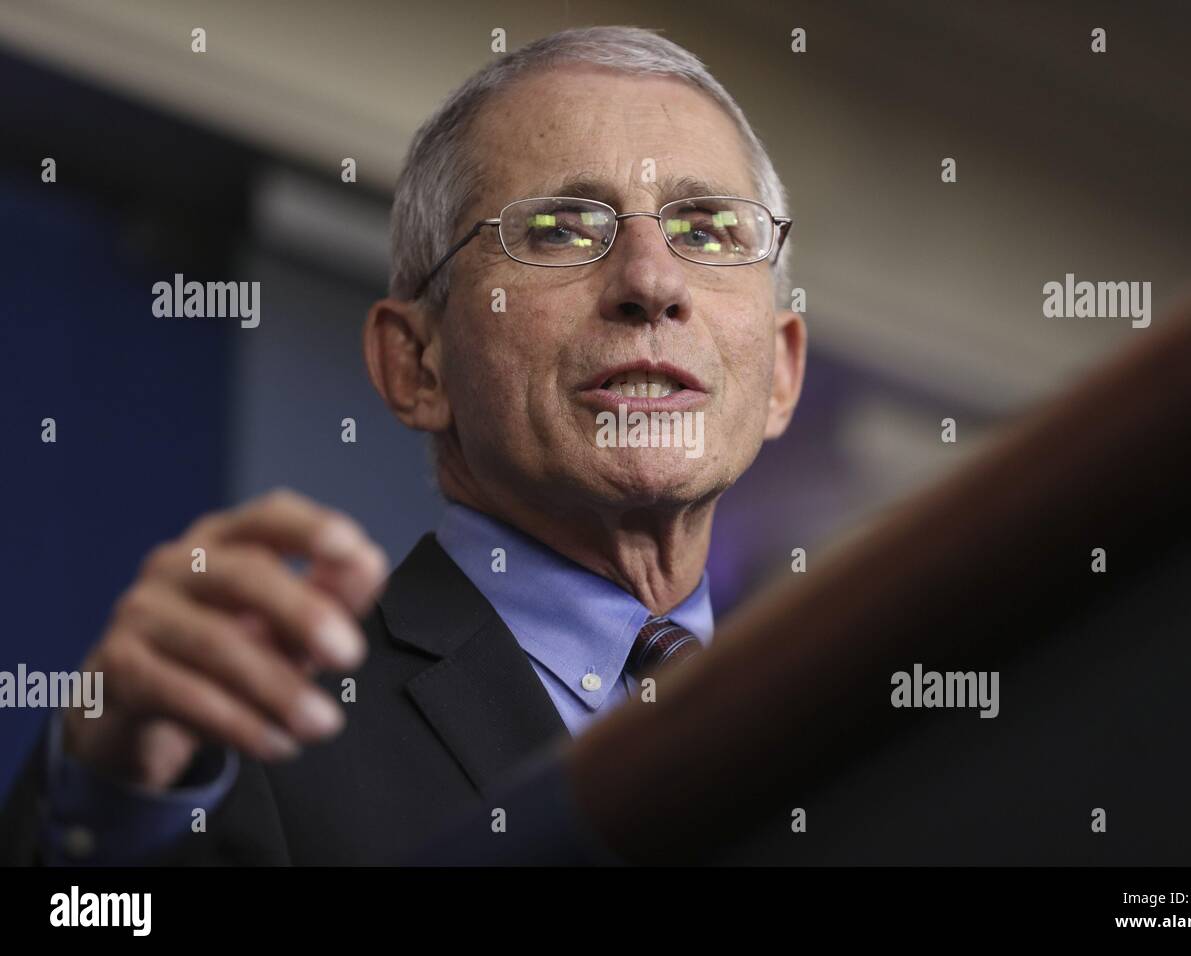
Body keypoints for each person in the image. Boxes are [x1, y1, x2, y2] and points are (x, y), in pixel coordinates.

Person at [0, 24, 806, 865]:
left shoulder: (851, 718)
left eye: (708, 230)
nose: (651, 281)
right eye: (562, 229)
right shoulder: (249, 729)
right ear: (417, 363)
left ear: (783, 371)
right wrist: (110, 816)